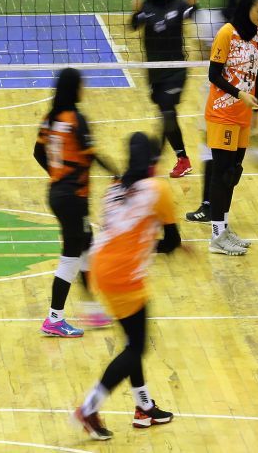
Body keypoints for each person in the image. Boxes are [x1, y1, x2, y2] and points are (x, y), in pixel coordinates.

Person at [72, 131, 185, 441]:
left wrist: (145, 241)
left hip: (101, 269)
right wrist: (161, 245)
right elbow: (171, 242)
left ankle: (143, 406)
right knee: (137, 347)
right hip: (124, 276)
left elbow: (123, 230)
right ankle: (89, 407)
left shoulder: (114, 187)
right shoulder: (158, 189)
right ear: (152, 162)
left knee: (132, 343)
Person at [33, 68, 118, 338]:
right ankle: (54, 319)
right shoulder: (76, 120)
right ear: (74, 89)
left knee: (86, 244)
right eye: (82, 85)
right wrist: (120, 175)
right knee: (70, 256)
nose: (84, 89)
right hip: (73, 198)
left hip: (58, 194)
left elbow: (37, 152)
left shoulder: (50, 119)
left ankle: (92, 309)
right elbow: (93, 156)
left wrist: (57, 174)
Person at [186, 0, 258, 223]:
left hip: (244, 102)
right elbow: (212, 68)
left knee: (231, 168)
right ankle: (214, 219)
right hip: (223, 100)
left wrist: (254, 107)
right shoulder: (225, 29)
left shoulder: (257, 30)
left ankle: (215, 215)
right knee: (222, 166)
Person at [204, 0, 258, 255]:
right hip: (222, 112)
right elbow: (213, 74)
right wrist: (240, 94)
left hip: (244, 114)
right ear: (247, 7)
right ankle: (216, 236)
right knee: (221, 173)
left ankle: (224, 227)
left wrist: (256, 108)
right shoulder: (226, 33)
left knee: (233, 174)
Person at [130, 0, 197, 178]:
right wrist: (136, 12)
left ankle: (166, 160)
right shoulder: (147, 6)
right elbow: (134, 25)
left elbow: (193, 14)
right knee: (166, 116)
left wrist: (194, 4)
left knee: (167, 111)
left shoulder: (179, 4)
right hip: (155, 72)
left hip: (176, 70)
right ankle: (173, 160)